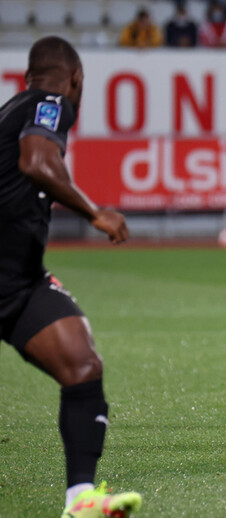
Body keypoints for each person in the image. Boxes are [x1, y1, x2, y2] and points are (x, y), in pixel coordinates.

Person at [0, 37, 141, 517]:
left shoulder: (13, 108)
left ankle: (80, 498)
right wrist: (94, 212)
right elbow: (36, 162)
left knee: (82, 364)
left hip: (17, 280)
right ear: (76, 79)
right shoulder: (52, 103)